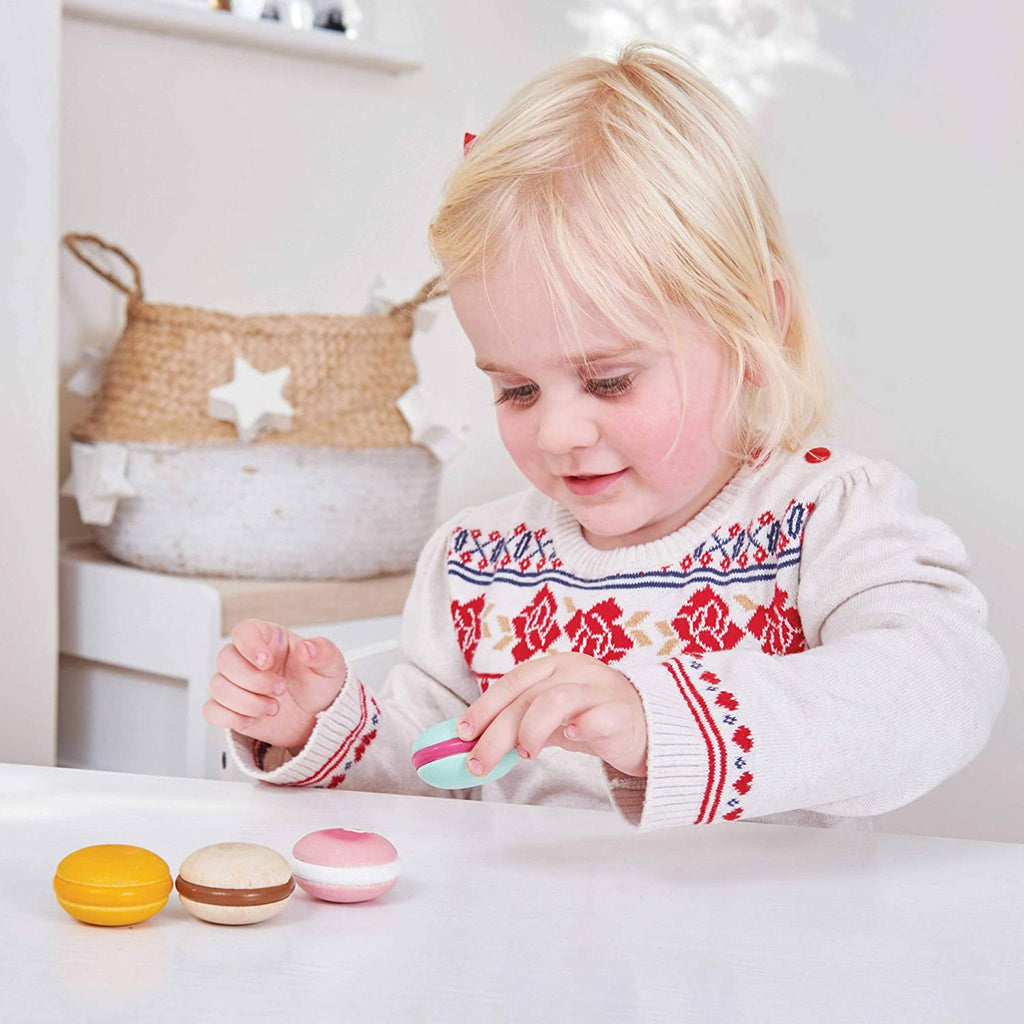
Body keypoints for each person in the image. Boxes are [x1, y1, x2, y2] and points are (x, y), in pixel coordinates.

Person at [203, 43, 1007, 830]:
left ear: (753, 327)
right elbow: (435, 770)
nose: (559, 431)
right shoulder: (477, 562)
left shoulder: (825, 518)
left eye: (610, 380)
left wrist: (659, 721)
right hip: (524, 952)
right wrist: (325, 731)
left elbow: (939, 688)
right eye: (516, 389)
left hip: (763, 956)